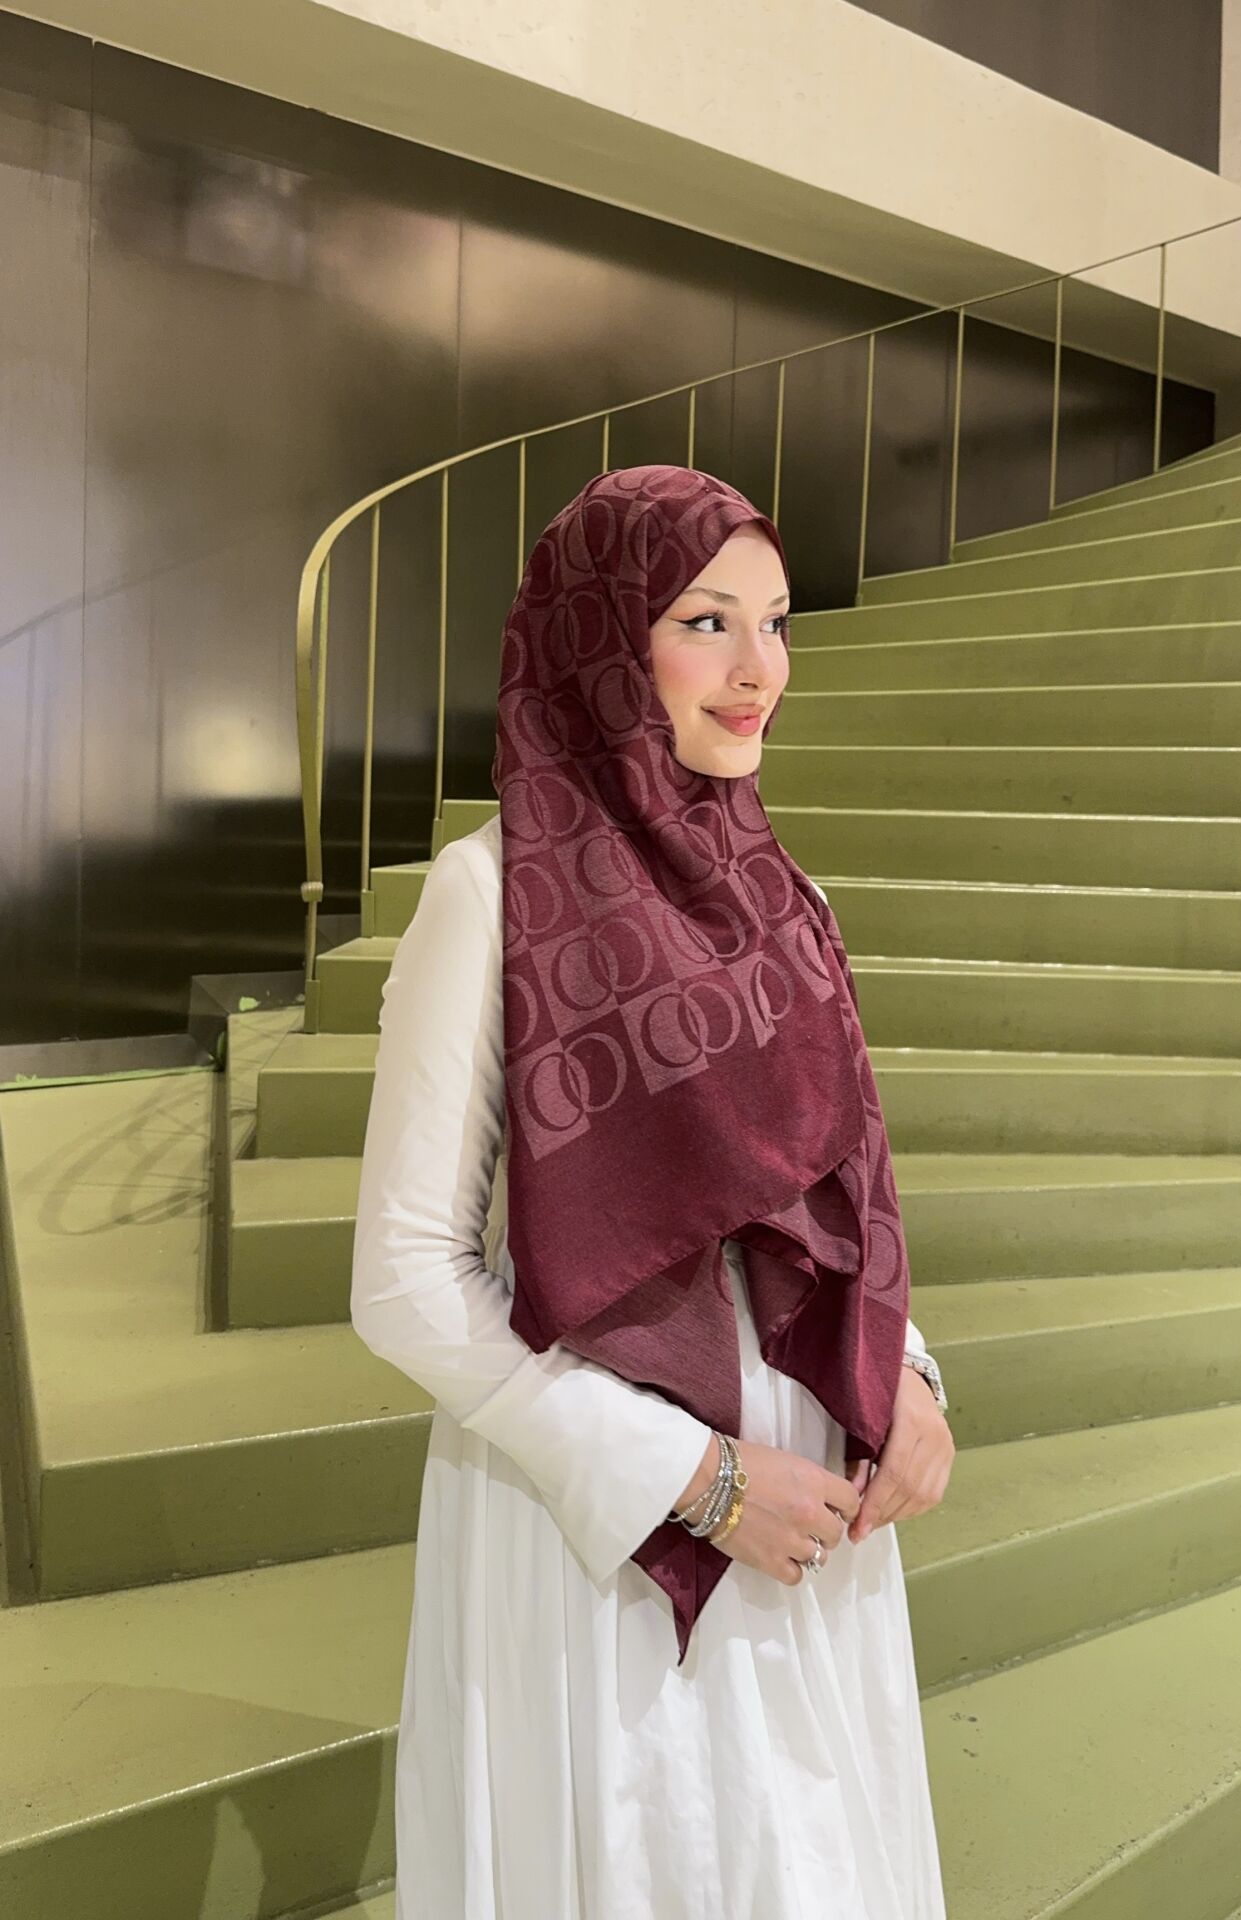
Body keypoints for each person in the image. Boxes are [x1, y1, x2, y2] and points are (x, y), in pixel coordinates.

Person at [350, 464, 954, 1919]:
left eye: (776, 623)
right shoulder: (492, 893)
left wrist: (910, 1371)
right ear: (601, 642)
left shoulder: (787, 893)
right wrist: (696, 1483)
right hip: (610, 1507)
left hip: (810, 1487)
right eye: (704, 622)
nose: (759, 672)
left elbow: (836, 1192)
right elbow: (405, 1279)